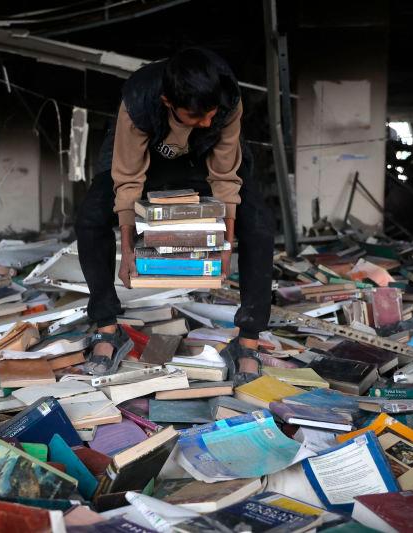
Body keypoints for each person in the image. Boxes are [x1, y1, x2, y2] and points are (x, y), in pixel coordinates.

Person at [74, 47, 274, 385]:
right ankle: (108, 330)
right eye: (197, 117)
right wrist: (128, 251)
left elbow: (225, 179)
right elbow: (128, 180)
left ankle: (247, 343)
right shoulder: (137, 103)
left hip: (203, 159)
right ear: (168, 102)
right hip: (149, 161)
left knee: (260, 225)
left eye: (211, 114)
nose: (208, 122)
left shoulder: (226, 99)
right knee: (90, 218)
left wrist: (224, 247)